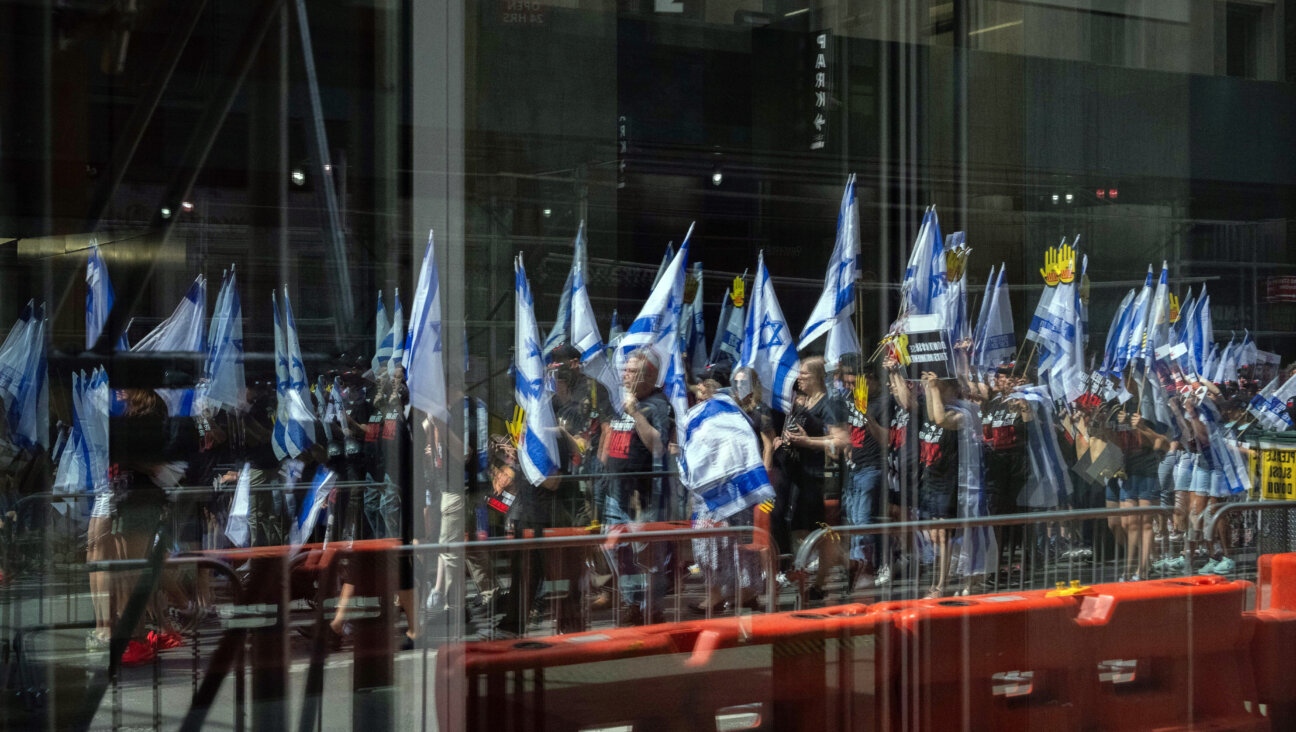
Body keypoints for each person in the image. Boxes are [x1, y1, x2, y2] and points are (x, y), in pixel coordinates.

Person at [599, 350, 674, 625]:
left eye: (631, 371)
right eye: (625, 370)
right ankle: (633, 602)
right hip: (616, 494)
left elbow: (657, 445)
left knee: (646, 555)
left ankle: (651, 609)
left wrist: (634, 413)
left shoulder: (657, 405)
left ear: (650, 375)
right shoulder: (627, 402)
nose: (624, 375)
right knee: (614, 549)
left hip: (642, 497)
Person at [775, 356, 847, 600]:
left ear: (817, 376)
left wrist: (806, 442)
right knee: (800, 529)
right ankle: (849, 564)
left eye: (803, 374)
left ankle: (820, 582)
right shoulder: (804, 404)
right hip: (800, 475)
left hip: (820, 478)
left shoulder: (830, 404)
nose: (799, 378)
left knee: (817, 530)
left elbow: (841, 440)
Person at [834, 356, 887, 590]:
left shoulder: (885, 401)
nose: (851, 388)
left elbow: (887, 439)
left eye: (855, 384)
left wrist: (867, 416)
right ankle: (857, 567)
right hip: (853, 468)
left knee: (864, 522)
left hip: (872, 468)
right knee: (853, 521)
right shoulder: (851, 399)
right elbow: (849, 427)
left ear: (871, 380)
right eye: (849, 384)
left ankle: (868, 568)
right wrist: (846, 447)